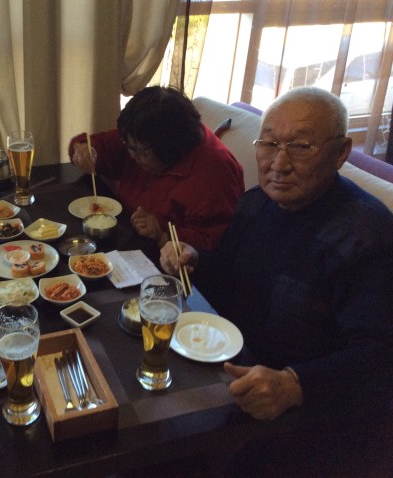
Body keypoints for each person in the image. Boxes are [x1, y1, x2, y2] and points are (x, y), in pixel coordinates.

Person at [160, 87, 393, 475]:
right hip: (230, 377)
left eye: (301, 146)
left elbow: (379, 356)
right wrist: (194, 259)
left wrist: (296, 385)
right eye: (269, 143)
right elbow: (228, 278)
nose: (279, 163)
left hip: (310, 420)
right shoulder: (258, 203)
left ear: (340, 153)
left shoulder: (366, 237)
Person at [68, 86, 244, 250]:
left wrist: (162, 234)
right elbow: (101, 146)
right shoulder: (143, 138)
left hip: (166, 261)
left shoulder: (213, 175)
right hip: (126, 235)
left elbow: (215, 245)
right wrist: (84, 149)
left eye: (138, 151)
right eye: (128, 145)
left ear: (168, 149)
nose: (131, 155)